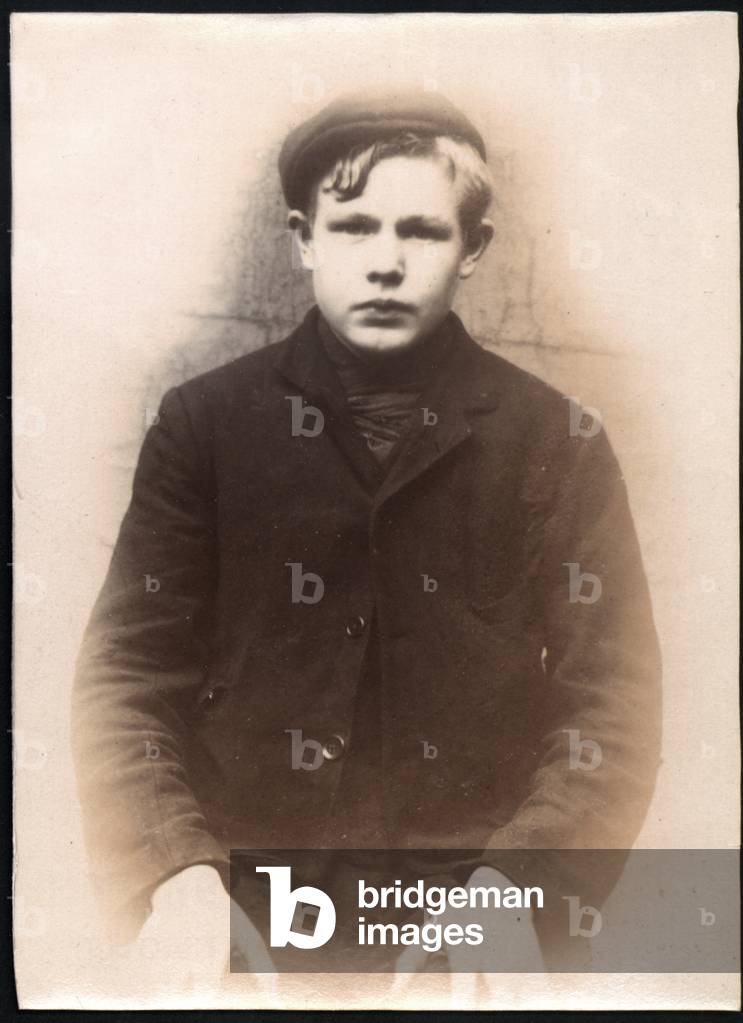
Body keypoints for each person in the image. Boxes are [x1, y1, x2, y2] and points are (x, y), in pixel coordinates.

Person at [72, 89, 662, 987]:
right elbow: (125, 677)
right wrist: (176, 873)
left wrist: (516, 893)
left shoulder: (557, 442)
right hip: (237, 911)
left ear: (474, 250)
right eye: (353, 228)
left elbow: (613, 706)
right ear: (303, 239)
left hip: (469, 919)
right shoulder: (207, 425)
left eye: (421, 231)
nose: (385, 263)